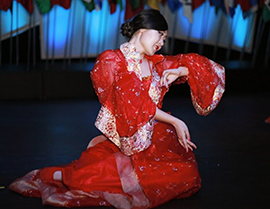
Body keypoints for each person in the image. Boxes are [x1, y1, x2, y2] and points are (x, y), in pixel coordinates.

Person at [9, 9, 225, 208]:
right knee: (88, 180)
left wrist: (180, 71)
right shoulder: (113, 61)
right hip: (124, 140)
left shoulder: (157, 63)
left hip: (155, 138)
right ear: (141, 31)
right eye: (159, 34)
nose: (161, 41)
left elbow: (201, 67)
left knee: (187, 177)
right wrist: (177, 121)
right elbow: (134, 103)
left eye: (164, 38)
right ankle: (58, 175)